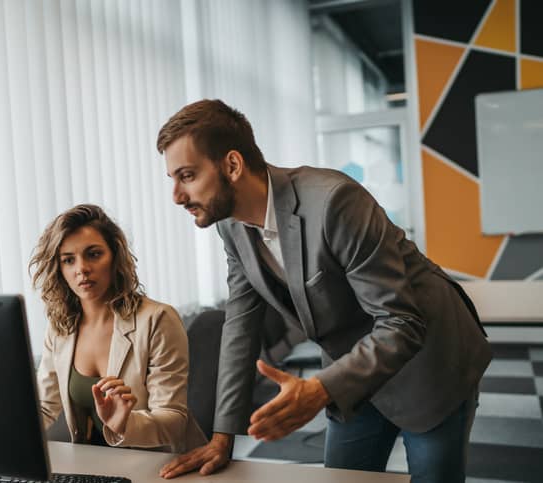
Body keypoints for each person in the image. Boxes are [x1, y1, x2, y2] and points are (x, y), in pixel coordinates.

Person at [155, 99, 491, 482]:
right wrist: (221, 436)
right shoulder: (230, 225)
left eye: (187, 176)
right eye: (173, 180)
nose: (177, 197)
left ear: (232, 165)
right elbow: (240, 327)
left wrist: (318, 390)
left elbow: (401, 322)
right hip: (349, 370)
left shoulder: (334, 201)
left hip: (429, 362)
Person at [30, 204, 207, 453]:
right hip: (95, 467)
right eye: (68, 260)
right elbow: (45, 407)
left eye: (93, 254)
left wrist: (126, 423)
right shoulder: (60, 327)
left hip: (161, 464)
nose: (81, 268)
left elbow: (175, 418)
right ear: (59, 269)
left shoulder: (157, 319)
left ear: (115, 257)